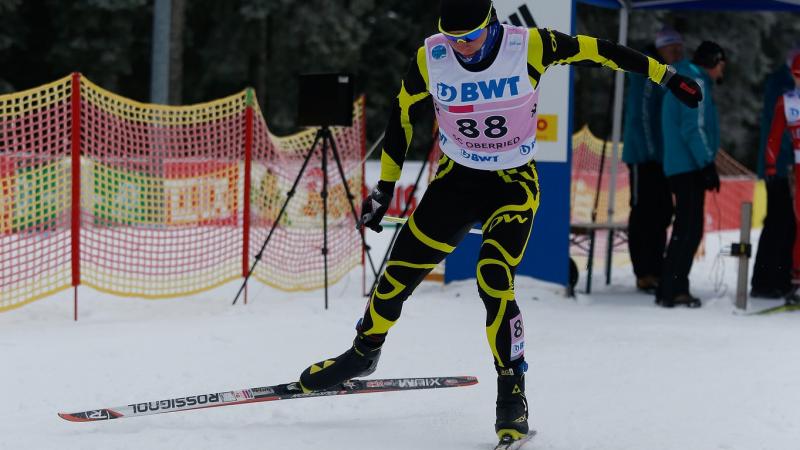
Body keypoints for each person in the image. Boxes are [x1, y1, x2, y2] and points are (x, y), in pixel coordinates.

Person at [298, 0, 702, 445]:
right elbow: (402, 113)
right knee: (398, 271)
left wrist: (668, 77)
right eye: (453, 40)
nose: (462, 49)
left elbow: (601, 51)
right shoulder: (431, 55)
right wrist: (385, 187)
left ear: (491, 24)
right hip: (456, 181)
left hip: (513, 182)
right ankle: (363, 352)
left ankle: (512, 392)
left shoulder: (529, 45)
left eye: (469, 38)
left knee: (493, 276)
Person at [658, 41, 725, 308]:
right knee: (688, 229)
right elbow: (692, 128)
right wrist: (706, 164)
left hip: (681, 164)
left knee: (686, 227)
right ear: (713, 61)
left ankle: (671, 286)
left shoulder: (684, 76)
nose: (722, 71)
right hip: (687, 166)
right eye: (721, 65)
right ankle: (673, 288)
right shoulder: (694, 81)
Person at [622, 26, 684, 294]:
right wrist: (651, 154)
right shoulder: (649, 71)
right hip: (643, 156)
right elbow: (643, 116)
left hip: (658, 156)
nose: (677, 54)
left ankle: (655, 268)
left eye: (679, 49)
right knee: (643, 212)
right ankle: (644, 271)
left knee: (661, 212)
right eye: (672, 48)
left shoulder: (664, 72)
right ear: (661, 48)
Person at [751, 49, 800, 299]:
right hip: (782, 168)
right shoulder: (782, 85)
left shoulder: (781, 81)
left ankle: (777, 279)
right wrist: (786, 164)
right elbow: (778, 131)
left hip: (783, 166)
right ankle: (767, 281)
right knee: (779, 222)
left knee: (785, 223)